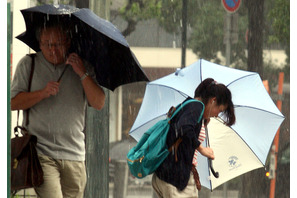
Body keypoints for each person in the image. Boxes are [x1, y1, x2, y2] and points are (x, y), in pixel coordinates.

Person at [11, 22, 105, 198]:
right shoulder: (28, 64)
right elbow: (12, 103)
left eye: (58, 44)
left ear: (68, 42)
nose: (52, 49)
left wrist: (82, 73)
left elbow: (99, 103)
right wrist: (42, 93)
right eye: (47, 44)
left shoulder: (82, 65)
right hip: (41, 152)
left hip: (75, 154)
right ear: (39, 44)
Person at [152, 78, 235, 198]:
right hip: (175, 178)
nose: (217, 115)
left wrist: (201, 123)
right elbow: (184, 127)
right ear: (213, 100)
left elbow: (183, 131)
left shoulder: (190, 107)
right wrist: (202, 148)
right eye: (219, 110)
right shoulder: (196, 106)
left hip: (168, 175)